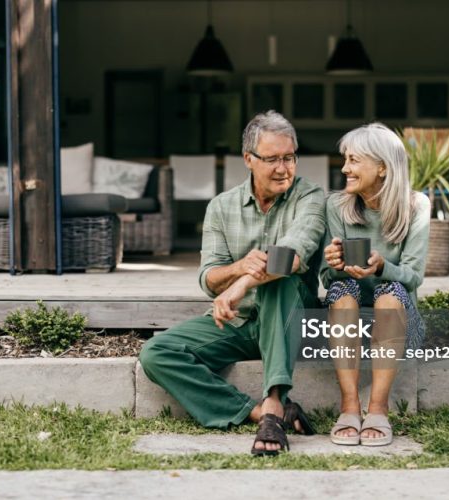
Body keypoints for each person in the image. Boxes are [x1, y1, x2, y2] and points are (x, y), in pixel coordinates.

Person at [139, 110, 325, 456]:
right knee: (156, 353)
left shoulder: (310, 197)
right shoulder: (221, 207)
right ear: (248, 160)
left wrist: (240, 285)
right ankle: (259, 413)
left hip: (291, 322)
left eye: (289, 157)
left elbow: (294, 254)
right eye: (272, 159)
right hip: (240, 324)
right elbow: (209, 279)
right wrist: (238, 267)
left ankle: (274, 400)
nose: (283, 169)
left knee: (279, 280)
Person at [321, 123, 429, 446]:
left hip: (399, 321)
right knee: (340, 290)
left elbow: (413, 276)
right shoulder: (336, 207)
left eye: (353, 160)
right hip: (349, 319)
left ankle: (379, 408)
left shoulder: (416, 206)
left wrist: (382, 267)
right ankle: (350, 406)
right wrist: (334, 265)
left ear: (382, 167)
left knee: (391, 290)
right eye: (345, 160)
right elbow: (327, 281)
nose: (345, 168)